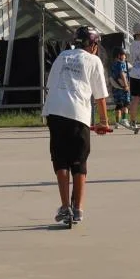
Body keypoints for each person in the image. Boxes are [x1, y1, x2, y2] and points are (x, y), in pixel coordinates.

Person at [40, 26, 111, 224]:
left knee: (61, 160)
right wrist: (103, 122)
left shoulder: (62, 56)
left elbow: (50, 84)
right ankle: (78, 209)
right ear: (93, 45)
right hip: (78, 114)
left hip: (55, 111)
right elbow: (100, 96)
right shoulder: (93, 60)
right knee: (79, 161)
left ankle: (65, 207)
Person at [108, 47, 131, 127]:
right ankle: (124, 120)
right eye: (124, 55)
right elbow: (122, 74)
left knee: (118, 105)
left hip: (115, 87)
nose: (125, 57)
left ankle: (117, 123)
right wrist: (126, 85)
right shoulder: (121, 64)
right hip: (122, 87)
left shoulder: (113, 64)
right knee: (125, 104)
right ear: (119, 55)